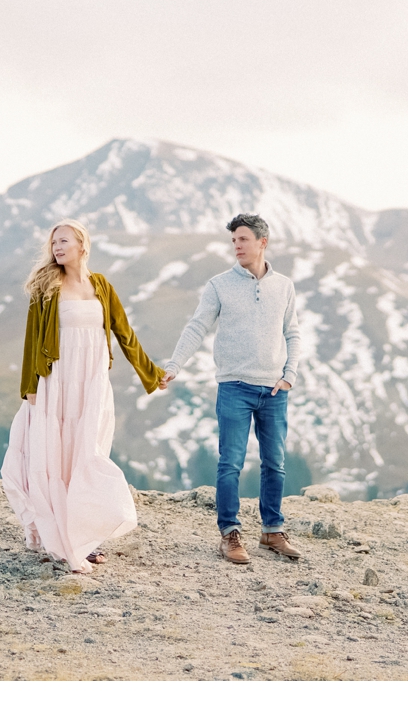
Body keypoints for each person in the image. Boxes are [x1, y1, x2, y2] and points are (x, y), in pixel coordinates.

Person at [1, 219, 166, 573]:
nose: (57, 248)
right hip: (57, 380)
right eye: (53, 243)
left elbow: (124, 332)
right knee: (56, 456)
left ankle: (84, 533)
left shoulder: (101, 286)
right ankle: (61, 533)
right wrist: (30, 388)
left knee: (87, 453)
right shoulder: (47, 286)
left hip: (91, 381)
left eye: (63, 241)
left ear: (82, 245)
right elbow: (33, 338)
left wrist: (150, 373)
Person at [160, 213, 303, 564]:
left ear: (262, 242)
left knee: (275, 463)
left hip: (274, 390)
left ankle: (272, 531)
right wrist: (174, 366)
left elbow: (293, 332)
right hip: (234, 387)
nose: (237, 246)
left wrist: (289, 375)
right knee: (230, 464)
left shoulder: (284, 286)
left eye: (243, 239)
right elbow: (196, 327)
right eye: (234, 241)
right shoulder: (219, 285)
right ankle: (230, 534)